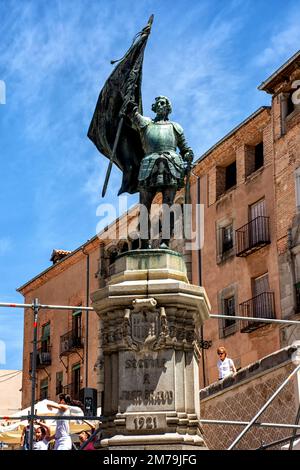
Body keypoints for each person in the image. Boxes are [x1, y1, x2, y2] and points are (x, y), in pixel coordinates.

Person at [127, 96, 194, 248]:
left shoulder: (175, 127)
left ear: (168, 107)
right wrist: (130, 102)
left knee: (168, 205)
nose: (160, 105)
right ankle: (144, 240)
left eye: (163, 103)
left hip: (171, 165)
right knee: (144, 206)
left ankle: (165, 240)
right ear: (154, 107)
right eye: (157, 103)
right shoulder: (146, 124)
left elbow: (185, 149)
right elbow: (133, 115)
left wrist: (189, 155)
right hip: (148, 165)